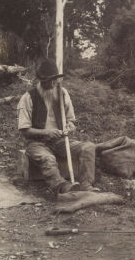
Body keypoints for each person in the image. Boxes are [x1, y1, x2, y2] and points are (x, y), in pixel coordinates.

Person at [17, 60, 97, 194]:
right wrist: (46, 132)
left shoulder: (63, 93)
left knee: (88, 147)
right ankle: (61, 187)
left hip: (60, 141)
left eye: (54, 80)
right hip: (37, 143)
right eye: (48, 81)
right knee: (48, 159)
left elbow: (71, 121)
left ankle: (86, 185)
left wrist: (69, 127)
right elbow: (24, 131)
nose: (52, 84)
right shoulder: (28, 98)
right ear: (41, 81)